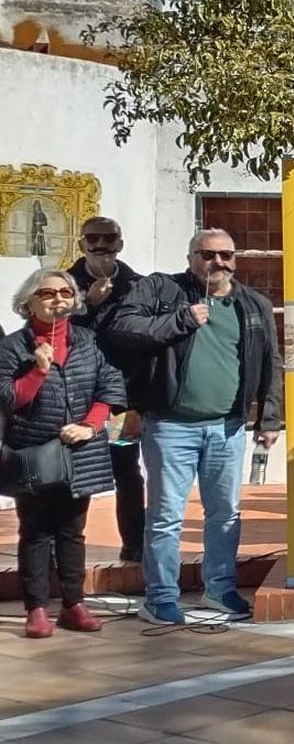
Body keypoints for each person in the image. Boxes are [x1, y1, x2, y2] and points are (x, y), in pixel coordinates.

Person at [105, 229, 282, 625]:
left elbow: (272, 363)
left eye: (226, 255)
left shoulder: (253, 305)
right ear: (191, 257)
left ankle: (219, 589)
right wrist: (179, 320)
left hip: (227, 428)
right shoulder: (162, 290)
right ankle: (160, 597)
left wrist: (269, 417)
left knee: (225, 514)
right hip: (170, 426)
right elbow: (120, 330)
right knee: (166, 515)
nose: (218, 262)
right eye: (208, 254)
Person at [2, 270, 125, 638]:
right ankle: (37, 609)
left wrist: (91, 424)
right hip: (34, 452)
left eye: (66, 292)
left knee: (73, 531)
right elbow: (8, 399)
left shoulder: (88, 341)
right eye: (48, 293)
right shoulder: (12, 347)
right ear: (29, 303)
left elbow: (110, 385)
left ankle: (74, 604)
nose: (58, 299)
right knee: (36, 532)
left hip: (81, 452)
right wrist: (37, 371)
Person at [65, 215, 147, 563]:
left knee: (126, 471)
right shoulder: (61, 286)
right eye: (92, 240)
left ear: (120, 244)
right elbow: (53, 335)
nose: (101, 247)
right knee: (77, 474)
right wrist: (88, 304)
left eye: (109, 240)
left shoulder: (138, 286)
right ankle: (69, 551)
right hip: (76, 400)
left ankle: (135, 547)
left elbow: (147, 347)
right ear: (82, 244)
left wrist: (140, 403)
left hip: (121, 402)